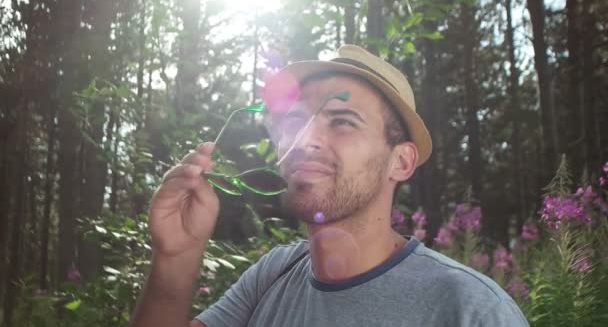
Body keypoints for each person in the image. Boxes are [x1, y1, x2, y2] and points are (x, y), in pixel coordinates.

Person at [130, 45, 529, 326]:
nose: (304, 141)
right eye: (296, 122)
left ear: (401, 161)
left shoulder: (469, 309)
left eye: (342, 121)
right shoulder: (272, 275)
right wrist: (176, 256)